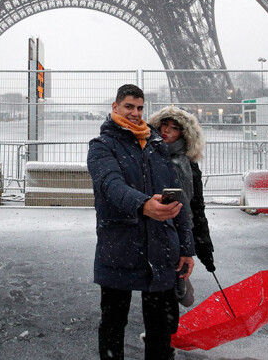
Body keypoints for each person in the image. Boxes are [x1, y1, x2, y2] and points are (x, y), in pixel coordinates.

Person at [87, 84, 195, 360]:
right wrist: (143, 205)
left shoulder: (156, 145)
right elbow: (110, 185)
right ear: (115, 107)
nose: (135, 113)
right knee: (113, 324)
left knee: (160, 328)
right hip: (120, 245)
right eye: (129, 107)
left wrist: (186, 247)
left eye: (139, 108)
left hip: (160, 247)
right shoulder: (102, 146)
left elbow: (177, 198)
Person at [148, 106, 215, 276]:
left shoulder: (189, 164)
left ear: (184, 134)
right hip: (152, 227)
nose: (167, 130)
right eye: (164, 124)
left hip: (178, 229)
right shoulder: (147, 155)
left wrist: (203, 248)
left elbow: (196, 206)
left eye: (175, 128)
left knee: (172, 285)